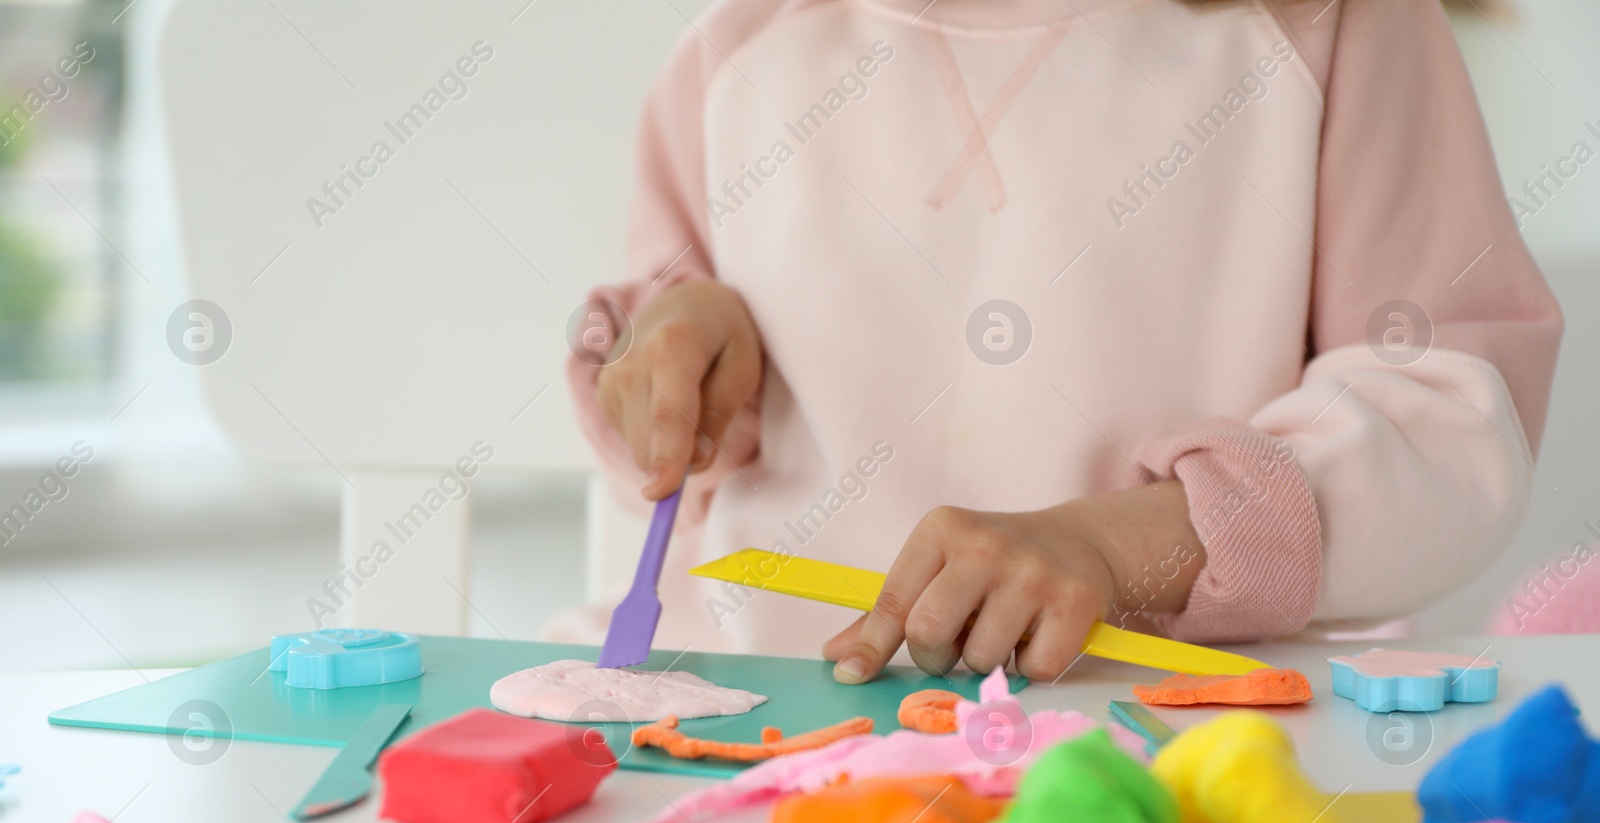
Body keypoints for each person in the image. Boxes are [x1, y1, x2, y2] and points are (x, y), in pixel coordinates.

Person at [553, 0, 1561, 684]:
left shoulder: (1335, 24)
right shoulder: (743, 45)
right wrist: (677, 357)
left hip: (1164, 749)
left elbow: (1445, 434)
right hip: (745, 725)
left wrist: (1116, 550)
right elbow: (666, 451)